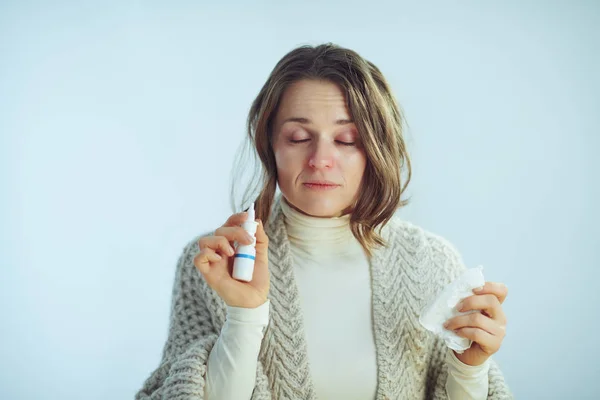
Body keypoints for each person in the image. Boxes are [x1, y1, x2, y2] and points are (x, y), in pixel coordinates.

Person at [136, 43, 512, 400]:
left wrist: (469, 368)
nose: (320, 158)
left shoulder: (432, 262)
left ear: (376, 148)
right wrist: (245, 316)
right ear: (269, 145)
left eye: (346, 139)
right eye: (299, 137)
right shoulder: (214, 264)